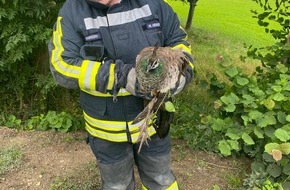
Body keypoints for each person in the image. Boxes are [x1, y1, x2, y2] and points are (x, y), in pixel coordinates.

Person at [48, 0, 194, 189]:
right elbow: (62, 66)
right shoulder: (72, 11)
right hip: (107, 131)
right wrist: (121, 76)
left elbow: (179, 42)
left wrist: (181, 73)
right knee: (117, 185)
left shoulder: (154, 3)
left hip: (152, 124)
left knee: (161, 180)